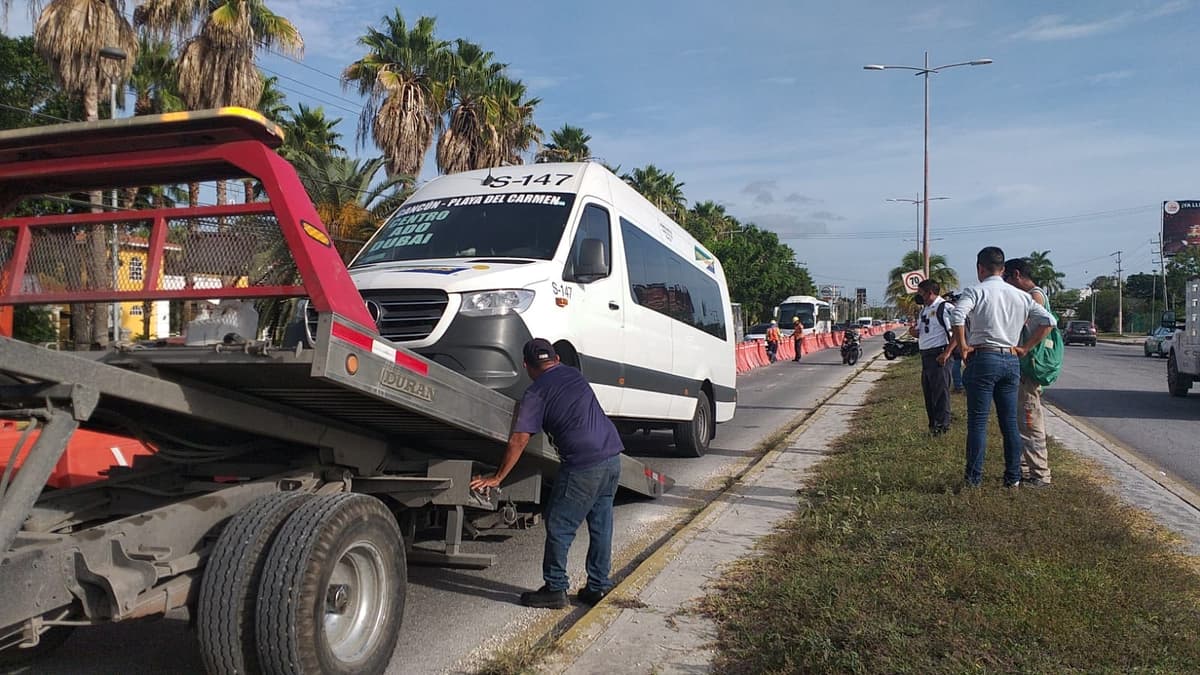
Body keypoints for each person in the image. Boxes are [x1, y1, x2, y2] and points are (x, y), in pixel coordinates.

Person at [470, 338, 624, 608]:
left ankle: (555, 588)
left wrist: (497, 477)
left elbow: (519, 439)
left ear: (526, 365)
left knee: (559, 525)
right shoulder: (574, 375)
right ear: (556, 359)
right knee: (601, 524)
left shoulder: (536, 392)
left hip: (583, 463)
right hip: (611, 456)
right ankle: (598, 586)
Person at [950, 246, 1055, 488]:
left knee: (978, 422)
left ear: (980, 268)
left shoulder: (975, 292)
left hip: (983, 358)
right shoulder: (1020, 295)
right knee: (1009, 422)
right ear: (1003, 268)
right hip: (1010, 359)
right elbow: (1049, 321)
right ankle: (1013, 478)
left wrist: (964, 346)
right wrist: (1025, 347)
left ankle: (973, 479)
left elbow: (957, 317)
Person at [1003, 258, 1054, 488]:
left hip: (1029, 370)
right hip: (1025, 369)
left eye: (1006, 280)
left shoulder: (1034, 297)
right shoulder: (1035, 294)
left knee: (1030, 420)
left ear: (1015, 275)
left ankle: (1040, 475)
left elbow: (1048, 323)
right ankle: (1026, 470)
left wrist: (1025, 348)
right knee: (1023, 421)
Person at [912, 279, 956, 435]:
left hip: (939, 353)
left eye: (921, 293)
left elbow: (957, 332)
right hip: (926, 355)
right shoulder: (925, 310)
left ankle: (942, 425)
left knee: (940, 392)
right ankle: (933, 424)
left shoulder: (944, 307)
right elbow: (921, 330)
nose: (919, 296)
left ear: (929, 292)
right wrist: (914, 332)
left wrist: (947, 353)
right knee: (929, 392)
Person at [944, 292, 965, 393]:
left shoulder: (955, 311)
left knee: (956, 367)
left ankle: (959, 386)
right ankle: (960, 385)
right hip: (960, 342)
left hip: (957, 342)